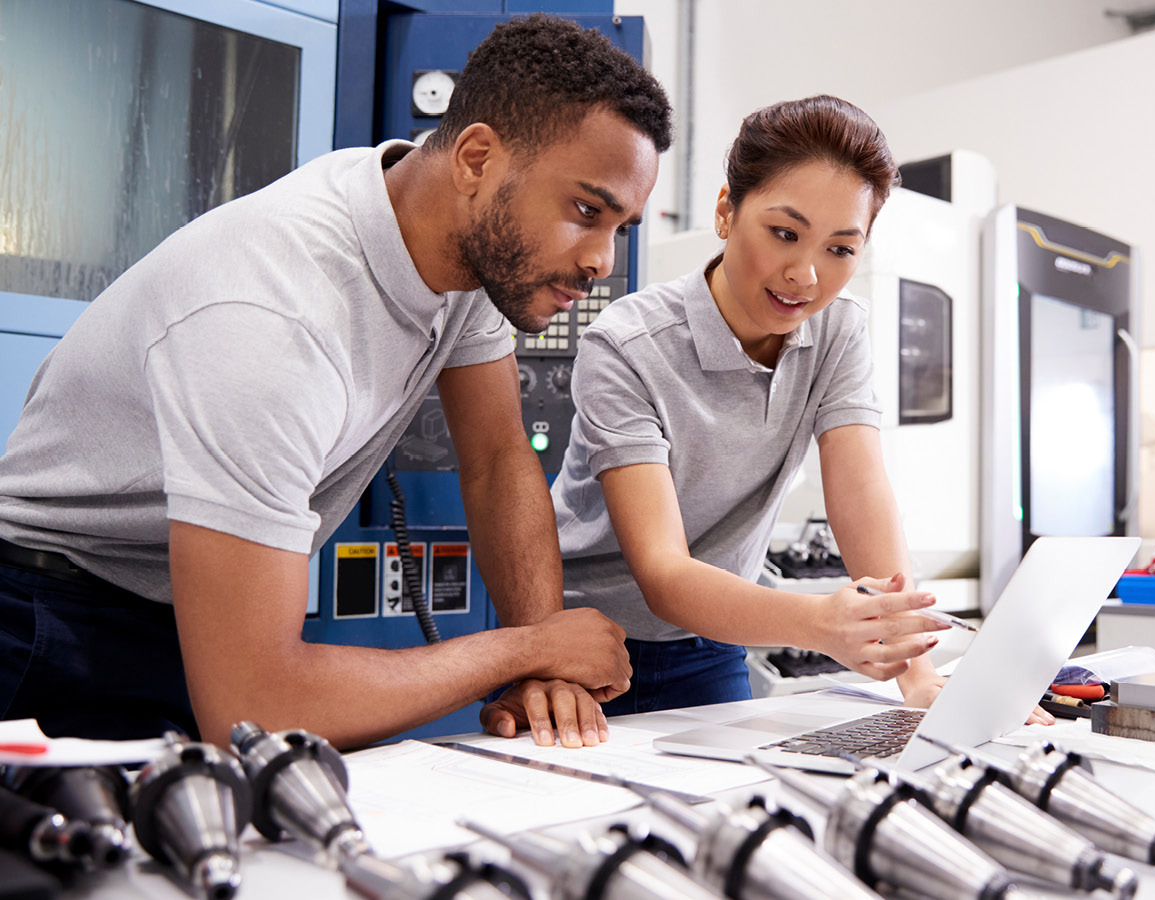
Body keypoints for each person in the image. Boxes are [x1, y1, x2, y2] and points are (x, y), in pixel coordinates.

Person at [0, 14, 671, 749]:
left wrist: (545, 663)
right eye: (585, 211)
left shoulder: (462, 251)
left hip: (178, 613)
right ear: (477, 159)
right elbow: (253, 707)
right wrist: (528, 650)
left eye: (622, 227)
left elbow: (498, 459)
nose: (603, 261)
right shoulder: (271, 318)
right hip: (45, 625)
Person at [481, 96, 1053, 734]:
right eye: (785, 233)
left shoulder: (838, 332)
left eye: (841, 249)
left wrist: (916, 675)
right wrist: (816, 624)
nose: (804, 274)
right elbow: (663, 572)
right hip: (587, 649)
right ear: (727, 211)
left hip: (715, 644)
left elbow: (860, 489)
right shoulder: (628, 344)